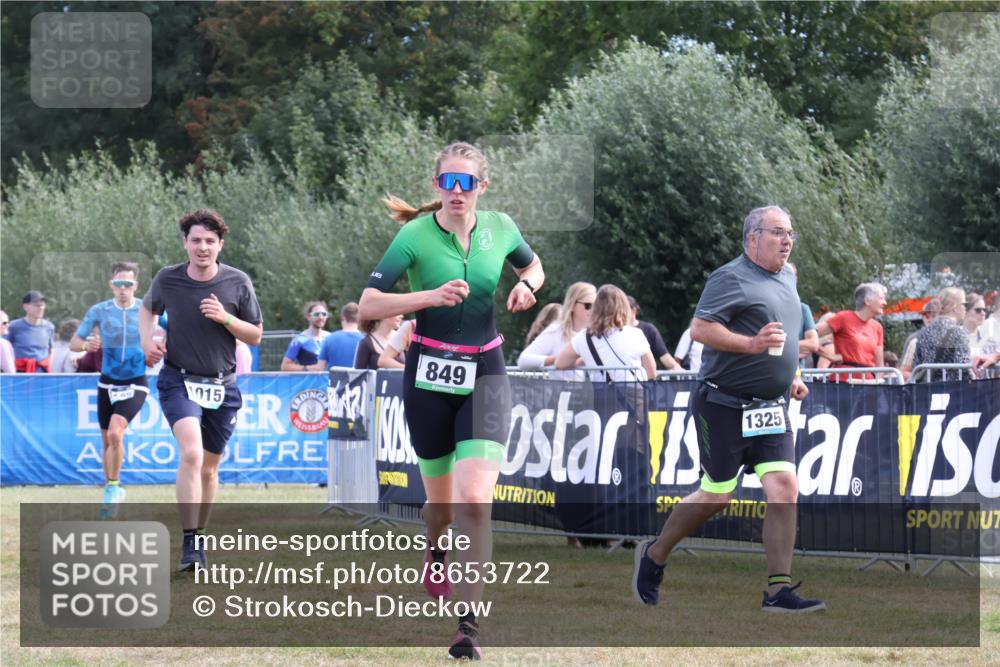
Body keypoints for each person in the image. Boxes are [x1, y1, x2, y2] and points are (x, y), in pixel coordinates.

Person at [358, 142, 543, 660]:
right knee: (439, 506)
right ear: (437, 185)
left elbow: (535, 266)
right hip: (428, 375)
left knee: (475, 503)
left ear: (483, 186)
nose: (457, 192)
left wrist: (527, 285)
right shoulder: (414, 235)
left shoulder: (501, 227)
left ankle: (468, 628)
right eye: (448, 182)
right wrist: (427, 298)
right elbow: (369, 305)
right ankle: (436, 546)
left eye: (468, 183)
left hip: (485, 369)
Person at [632, 205, 824, 613]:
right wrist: (752, 345)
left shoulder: (788, 277)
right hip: (722, 404)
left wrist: (791, 373)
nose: (787, 241)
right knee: (717, 495)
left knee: (784, 489)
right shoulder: (729, 276)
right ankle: (655, 555)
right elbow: (702, 329)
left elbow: (783, 335)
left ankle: (777, 590)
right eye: (777, 232)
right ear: (752, 237)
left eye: (791, 233)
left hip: (771, 407)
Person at [140, 208, 263, 572]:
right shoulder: (168, 278)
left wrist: (225, 318)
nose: (203, 247)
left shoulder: (237, 282)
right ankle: (190, 543)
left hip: (222, 385)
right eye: (196, 240)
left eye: (210, 241)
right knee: (192, 454)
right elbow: (147, 310)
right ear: (185, 243)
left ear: (220, 245)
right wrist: (148, 343)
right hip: (178, 379)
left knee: (210, 469)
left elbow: (255, 334)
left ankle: (200, 537)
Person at [70, 262, 149, 513]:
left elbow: (175, 329)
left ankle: (113, 487)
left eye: (128, 284)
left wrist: (164, 346)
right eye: (118, 284)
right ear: (111, 285)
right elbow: (74, 342)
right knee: (106, 442)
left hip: (136, 381)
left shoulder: (147, 310)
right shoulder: (99, 310)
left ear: (136, 285)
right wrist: (86, 347)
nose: (123, 289)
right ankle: (112, 490)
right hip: (107, 382)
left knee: (116, 433)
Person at [556, 285, 656, 381]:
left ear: (595, 308)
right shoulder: (636, 334)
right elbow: (651, 372)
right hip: (633, 393)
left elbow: (560, 363)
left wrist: (583, 360)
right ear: (624, 307)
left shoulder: (584, 337)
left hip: (601, 394)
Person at [517, 282, 595, 373]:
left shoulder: (597, 334)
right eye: (588, 306)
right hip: (560, 386)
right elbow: (523, 360)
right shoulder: (557, 331)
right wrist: (560, 360)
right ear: (572, 305)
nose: (593, 310)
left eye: (596, 306)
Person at [815, 282, 886, 381]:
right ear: (867, 301)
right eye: (881, 298)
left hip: (868, 383)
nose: (885, 303)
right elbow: (811, 334)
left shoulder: (877, 327)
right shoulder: (844, 318)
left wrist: (880, 387)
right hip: (843, 382)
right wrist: (830, 357)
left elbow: (880, 364)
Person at [911, 287, 971, 381]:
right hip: (953, 390)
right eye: (964, 304)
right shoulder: (959, 332)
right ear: (954, 307)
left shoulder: (923, 333)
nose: (965, 309)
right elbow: (964, 368)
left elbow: (916, 365)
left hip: (927, 390)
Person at [627, 296, 682, 371]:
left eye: (623, 309)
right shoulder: (615, 331)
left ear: (633, 310)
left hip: (644, 378)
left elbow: (664, 355)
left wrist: (677, 367)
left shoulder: (648, 329)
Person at [9, 291, 54, 372]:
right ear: (26, 307)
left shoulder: (49, 327)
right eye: (37, 305)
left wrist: (48, 365)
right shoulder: (13, 326)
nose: (40, 308)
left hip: (42, 373)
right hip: (20, 373)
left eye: (42, 305)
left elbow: (51, 349)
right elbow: (4, 348)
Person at [280, 301, 329, 371]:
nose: (321, 317)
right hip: (310, 381)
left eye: (324, 314)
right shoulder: (299, 340)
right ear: (308, 317)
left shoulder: (331, 338)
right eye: (316, 314)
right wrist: (308, 368)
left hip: (330, 381)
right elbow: (285, 366)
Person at [900, 299, 941, 381]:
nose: (929, 319)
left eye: (934, 316)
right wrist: (922, 378)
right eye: (926, 316)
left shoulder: (951, 338)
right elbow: (903, 371)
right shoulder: (914, 340)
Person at [318, 302, 364, 370]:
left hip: (334, 380)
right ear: (359, 318)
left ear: (343, 317)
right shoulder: (367, 339)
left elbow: (320, 368)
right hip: (360, 380)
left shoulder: (329, 339)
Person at [963, 293, 989, 357]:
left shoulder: (988, 335)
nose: (983, 313)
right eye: (978, 310)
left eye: (984, 310)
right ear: (966, 311)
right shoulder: (955, 335)